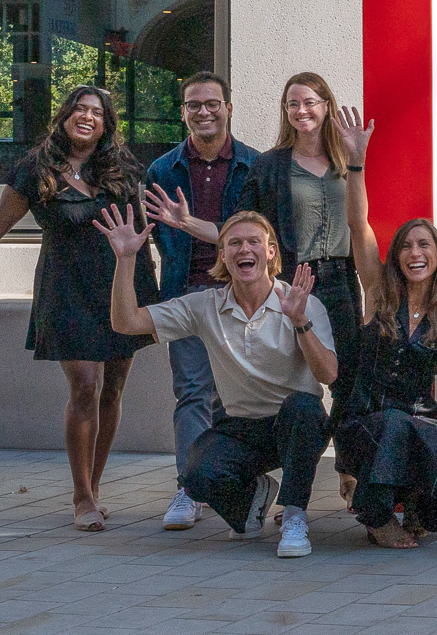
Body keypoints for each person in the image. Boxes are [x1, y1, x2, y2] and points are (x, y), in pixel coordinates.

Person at [0, 85, 160, 532]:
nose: (87, 117)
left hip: (121, 285)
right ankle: (81, 498)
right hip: (66, 289)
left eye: (96, 113)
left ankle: (94, 490)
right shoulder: (36, 167)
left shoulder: (121, 167)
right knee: (84, 386)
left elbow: (146, 224)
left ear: (106, 124)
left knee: (114, 389)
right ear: (64, 116)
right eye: (79, 109)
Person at [146, 72, 365, 500]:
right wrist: (187, 223)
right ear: (285, 112)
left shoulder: (347, 161)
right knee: (290, 384)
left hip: (339, 279)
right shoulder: (268, 166)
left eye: (310, 102)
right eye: (293, 104)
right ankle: (276, 482)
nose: (302, 110)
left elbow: (362, 225)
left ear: (326, 105)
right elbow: (239, 231)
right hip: (291, 279)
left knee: (347, 381)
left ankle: (349, 471)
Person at [99, 207, 334, 556]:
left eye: (254, 242)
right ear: (223, 254)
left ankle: (295, 515)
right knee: (195, 476)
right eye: (234, 243)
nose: (245, 250)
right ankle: (254, 497)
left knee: (303, 407)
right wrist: (127, 259)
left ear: (270, 252)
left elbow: (328, 375)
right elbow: (126, 322)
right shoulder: (205, 306)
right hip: (241, 427)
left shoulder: (303, 302)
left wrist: (300, 322)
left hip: (297, 426)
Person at [328, 106, 437, 548]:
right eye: (406, 245)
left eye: (424, 244)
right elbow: (357, 224)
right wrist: (356, 162)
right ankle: (376, 517)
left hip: (415, 418)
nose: (414, 252)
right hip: (365, 419)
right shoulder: (378, 290)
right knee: (392, 427)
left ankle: (420, 514)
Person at [143, 72, 258, 533]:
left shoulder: (254, 165)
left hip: (242, 297)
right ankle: (189, 490)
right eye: (194, 105)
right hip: (187, 295)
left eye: (213, 103)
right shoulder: (161, 170)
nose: (204, 111)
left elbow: (255, 236)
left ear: (229, 107)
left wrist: (193, 225)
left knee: (238, 397)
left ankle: (230, 482)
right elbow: (160, 240)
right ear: (184, 111)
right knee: (192, 393)